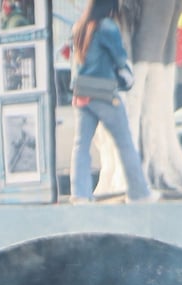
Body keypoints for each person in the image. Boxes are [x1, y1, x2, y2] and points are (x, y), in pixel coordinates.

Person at [68, 0, 160, 204]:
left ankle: (80, 195)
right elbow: (120, 59)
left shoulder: (79, 27)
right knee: (125, 143)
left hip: (81, 92)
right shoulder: (107, 27)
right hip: (104, 92)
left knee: (81, 145)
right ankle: (139, 193)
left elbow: (75, 63)